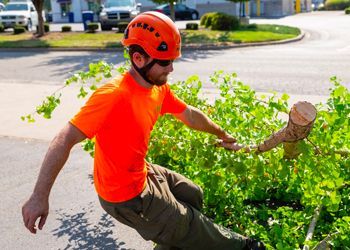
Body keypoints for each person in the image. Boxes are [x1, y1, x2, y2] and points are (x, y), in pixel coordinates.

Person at [22, 11, 265, 250]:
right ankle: (245, 247)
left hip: (142, 172)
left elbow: (189, 114)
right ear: (139, 59)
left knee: (192, 195)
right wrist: (39, 196)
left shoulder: (157, 87)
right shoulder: (114, 96)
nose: (171, 69)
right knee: (192, 227)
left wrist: (221, 133)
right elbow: (64, 138)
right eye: (165, 62)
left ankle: (174, 232)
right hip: (126, 197)